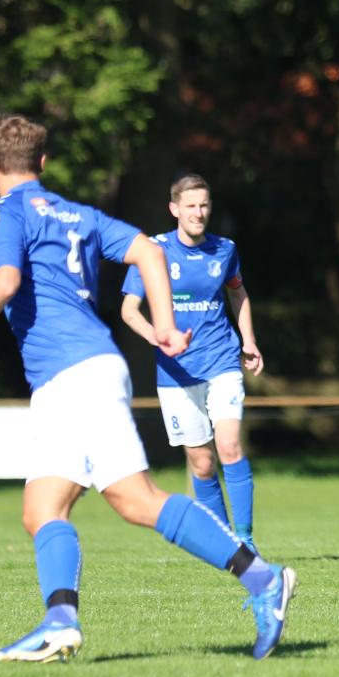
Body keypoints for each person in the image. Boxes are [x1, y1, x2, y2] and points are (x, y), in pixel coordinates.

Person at [0, 116, 295, 662]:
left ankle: (263, 579)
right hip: (81, 373)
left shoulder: (3, 212)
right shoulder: (77, 214)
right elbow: (149, 252)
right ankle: (59, 622)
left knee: (136, 500)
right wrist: (167, 325)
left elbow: (4, 281)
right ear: (44, 163)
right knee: (44, 507)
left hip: (74, 375)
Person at [122, 173, 265, 551]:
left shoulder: (225, 250)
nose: (198, 213)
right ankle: (223, 546)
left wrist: (248, 340)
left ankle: (247, 541)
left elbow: (239, 294)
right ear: (174, 209)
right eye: (190, 206)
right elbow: (128, 310)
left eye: (204, 205)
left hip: (221, 361)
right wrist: (158, 337)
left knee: (229, 446)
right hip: (176, 372)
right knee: (202, 464)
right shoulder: (153, 252)